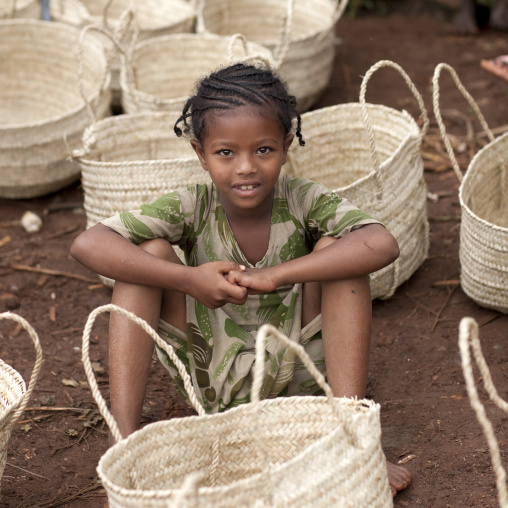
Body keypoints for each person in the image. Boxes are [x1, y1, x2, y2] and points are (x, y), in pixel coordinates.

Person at [70, 62, 411, 497]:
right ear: (200, 153)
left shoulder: (304, 199)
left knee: (337, 255)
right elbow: (88, 244)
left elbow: (381, 244)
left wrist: (277, 274)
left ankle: (352, 435)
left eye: (264, 150)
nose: (246, 167)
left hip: (301, 377)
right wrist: (188, 278)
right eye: (226, 152)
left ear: (287, 146)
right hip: (212, 376)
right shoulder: (192, 205)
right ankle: (128, 443)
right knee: (147, 255)